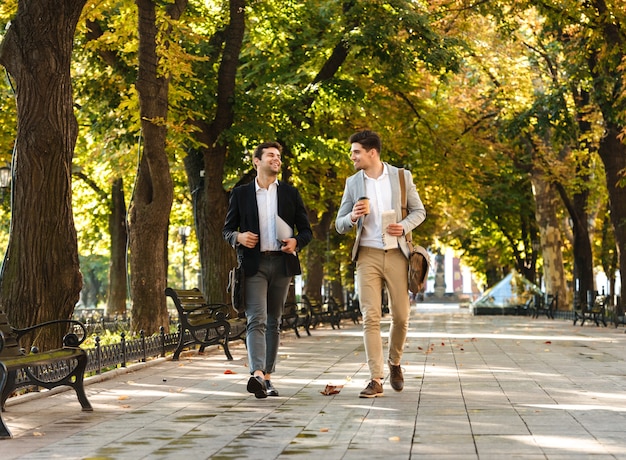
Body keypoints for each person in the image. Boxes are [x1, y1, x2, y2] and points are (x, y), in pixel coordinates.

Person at [335, 130, 426, 398]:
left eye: (356, 152)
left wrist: (404, 225)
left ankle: (394, 362)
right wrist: (351, 216)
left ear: (371, 152)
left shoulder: (401, 177)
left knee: (401, 316)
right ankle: (375, 378)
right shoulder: (353, 183)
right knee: (370, 316)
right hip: (367, 255)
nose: (352, 156)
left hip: (398, 254)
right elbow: (339, 224)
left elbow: (420, 211)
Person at [223, 141, 312, 399]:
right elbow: (227, 230)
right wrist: (238, 238)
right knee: (256, 319)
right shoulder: (240, 194)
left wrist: (296, 241)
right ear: (256, 162)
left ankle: (268, 378)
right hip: (254, 265)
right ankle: (257, 374)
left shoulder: (289, 193)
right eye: (271, 155)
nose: (277, 160)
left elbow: (306, 231)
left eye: (279, 156)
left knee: (274, 321)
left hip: (282, 265)